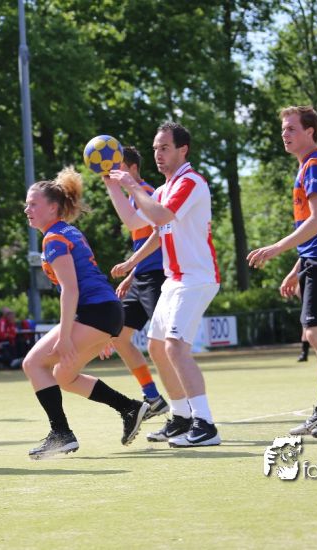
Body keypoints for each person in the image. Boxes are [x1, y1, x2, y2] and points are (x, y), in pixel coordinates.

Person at [105, 122, 222, 448]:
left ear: (183, 150)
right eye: (155, 148)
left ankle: (205, 424)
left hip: (196, 278)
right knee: (156, 347)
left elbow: (160, 216)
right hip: (175, 279)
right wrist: (111, 184)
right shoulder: (164, 188)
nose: (158, 154)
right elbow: (136, 222)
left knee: (174, 347)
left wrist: (131, 185)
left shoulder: (190, 182)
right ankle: (181, 417)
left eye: (165, 148)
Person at [22, 166, 149, 459]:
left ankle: (61, 434)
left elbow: (71, 290)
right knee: (64, 376)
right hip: (106, 312)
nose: (27, 209)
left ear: (53, 208)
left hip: (95, 312)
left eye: (33, 204)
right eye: (27, 204)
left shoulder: (54, 239)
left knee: (33, 364)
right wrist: (101, 334)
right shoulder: (69, 232)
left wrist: (66, 337)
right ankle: (129, 408)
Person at [247, 105, 317, 438]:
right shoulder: (308, 166)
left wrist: (276, 248)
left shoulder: (316, 166)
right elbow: (316, 227)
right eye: (283, 129)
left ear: (310, 131)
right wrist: (297, 268)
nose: (285, 134)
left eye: (292, 128)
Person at [104, 145, 174, 421]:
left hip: (157, 276)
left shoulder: (147, 193)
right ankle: (153, 397)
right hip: (141, 277)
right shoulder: (133, 197)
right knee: (118, 336)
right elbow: (144, 239)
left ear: (132, 168)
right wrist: (132, 274)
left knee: (169, 345)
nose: (114, 172)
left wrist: (131, 265)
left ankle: (187, 410)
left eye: (118, 166)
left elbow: (158, 237)